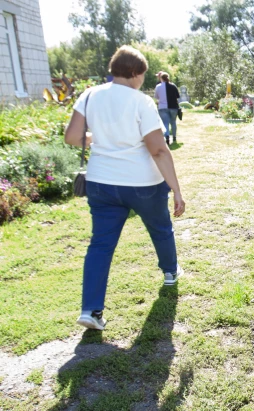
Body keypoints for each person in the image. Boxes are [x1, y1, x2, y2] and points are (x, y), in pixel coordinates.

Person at [64, 45, 186, 331]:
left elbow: (72, 137)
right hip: (142, 182)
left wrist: (101, 138)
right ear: (133, 73)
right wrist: (177, 190)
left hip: (101, 182)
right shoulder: (140, 102)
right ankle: (170, 272)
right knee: (160, 227)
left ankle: (90, 310)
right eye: (142, 75)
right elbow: (158, 150)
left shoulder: (90, 95)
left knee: (101, 244)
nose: (142, 81)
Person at [154, 72, 181, 145]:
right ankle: (174, 137)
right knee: (173, 122)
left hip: (162, 107)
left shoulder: (158, 87)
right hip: (173, 107)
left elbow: (156, 97)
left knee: (165, 123)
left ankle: (167, 137)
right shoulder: (173, 86)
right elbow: (178, 96)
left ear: (161, 78)